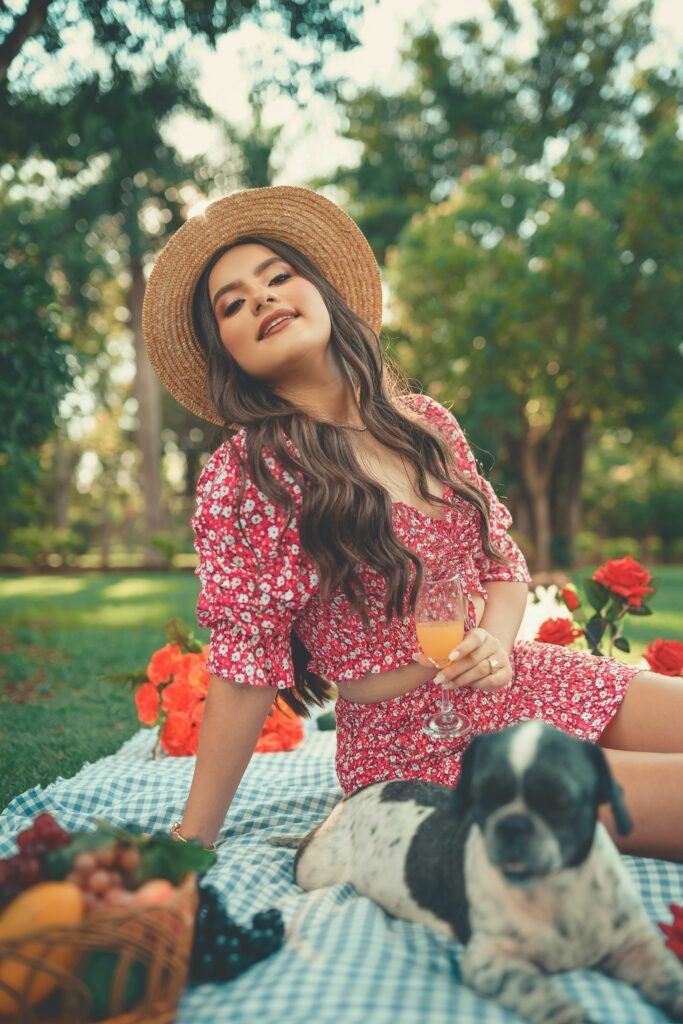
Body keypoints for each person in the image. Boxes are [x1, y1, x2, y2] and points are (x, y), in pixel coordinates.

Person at [142, 185, 683, 861]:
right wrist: (191, 842)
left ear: (324, 294)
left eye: (278, 276)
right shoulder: (252, 471)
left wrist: (492, 638)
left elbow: (502, 564)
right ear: (227, 352)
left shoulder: (426, 424)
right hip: (417, 745)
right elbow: (246, 664)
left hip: (521, 679)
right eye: (232, 302)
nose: (260, 297)